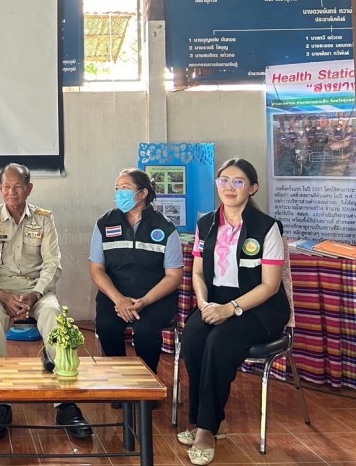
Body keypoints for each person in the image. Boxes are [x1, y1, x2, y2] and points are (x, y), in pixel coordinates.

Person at [177, 158, 289, 466]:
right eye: (224, 180)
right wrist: (203, 305)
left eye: (238, 181)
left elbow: (269, 286)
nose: (229, 187)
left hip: (260, 307)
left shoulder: (267, 228)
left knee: (219, 342)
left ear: (252, 188)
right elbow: (197, 273)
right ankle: (211, 420)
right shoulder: (205, 224)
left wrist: (231, 308)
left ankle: (205, 429)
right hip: (215, 302)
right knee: (194, 337)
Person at [0, 163, 92, 440]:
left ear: (29, 188)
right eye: (6, 186)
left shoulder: (44, 219)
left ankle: (66, 403)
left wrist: (35, 294)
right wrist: (0, 293)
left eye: (17, 186)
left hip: (37, 289)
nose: (11, 192)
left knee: (54, 317)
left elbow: (53, 264)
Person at [89, 168, 183, 379]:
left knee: (146, 330)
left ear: (143, 193)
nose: (119, 193)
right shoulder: (104, 224)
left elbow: (174, 276)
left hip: (154, 297)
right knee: (107, 326)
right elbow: (96, 269)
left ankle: (147, 382)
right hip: (114, 295)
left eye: (125, 188)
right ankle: (120, 379)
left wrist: (145, 301)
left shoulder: (166, 227)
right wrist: (118, 299)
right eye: (117, 188)